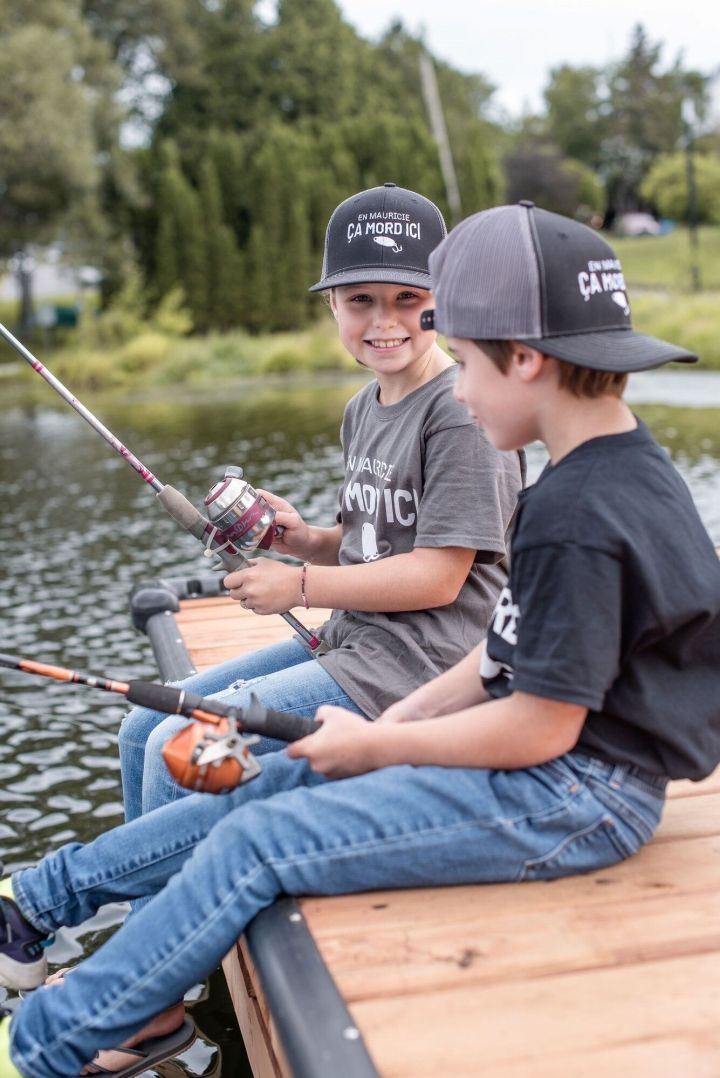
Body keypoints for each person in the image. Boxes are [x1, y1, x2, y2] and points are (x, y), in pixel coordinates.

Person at [3, 202, 720, 1078]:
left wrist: (382, 737)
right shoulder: (616, 467)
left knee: (254, 843)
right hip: (557, 767)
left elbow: (541, 728)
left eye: (463, 360)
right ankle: (62, 934)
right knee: (294, 770)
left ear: (526, 360)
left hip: (579, 797)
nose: (456, 386)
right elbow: (497, 653)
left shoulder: (575, 511)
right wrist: (383, 736)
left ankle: (37, 1049)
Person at [118, 182, 523, 824]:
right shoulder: (364, 407)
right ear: (332, 304)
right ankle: (156, 908)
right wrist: (303, 540)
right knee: (144, 723)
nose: (383, 321)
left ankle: (183, 919)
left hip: (427, 666)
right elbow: (374, 540)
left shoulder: (460, 412)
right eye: (360, 300)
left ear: (441, 303)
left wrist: (300, 585)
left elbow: (440, 577)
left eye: (407, 299)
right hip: (355, 641)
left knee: (184, 748)